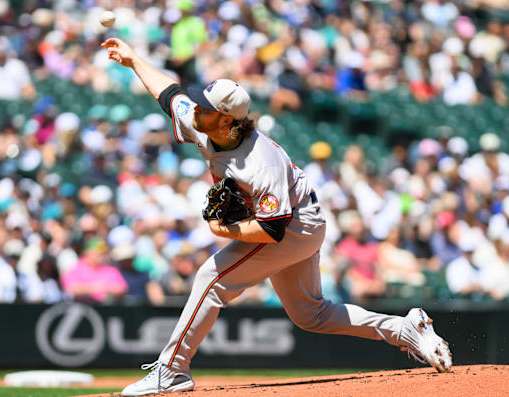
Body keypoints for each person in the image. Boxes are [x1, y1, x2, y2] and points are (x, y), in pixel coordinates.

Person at [100, 37, 453, 396]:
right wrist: (134, 60)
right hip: (301, 219)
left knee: (211, 278)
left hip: (294, 226)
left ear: (225, 118)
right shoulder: (206, 124)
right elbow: (170, 94)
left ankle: (172, 370)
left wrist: (223, 227)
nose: (196, 111)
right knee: (311, 315)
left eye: (205, 108)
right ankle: (407, 329)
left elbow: (272, 230)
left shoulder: (259, 162)